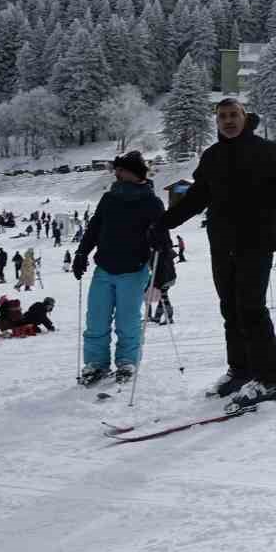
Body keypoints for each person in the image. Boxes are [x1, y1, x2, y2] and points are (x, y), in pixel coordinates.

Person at [157, 98, 276, 404]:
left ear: (244, 117)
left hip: (255, 241)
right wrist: (163, 223)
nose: (228, 121)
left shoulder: (266, 150)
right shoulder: (212, 157)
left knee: (251, 309)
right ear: (216, 121)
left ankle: (273, 378)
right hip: (221, 243)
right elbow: (195, 199)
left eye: (233, 115)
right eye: (222, 116)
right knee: (230, 309)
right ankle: (240, 370)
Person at [74, 150, 174, 386]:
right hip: (104, 269)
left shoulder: (151, 202)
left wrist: (161, 277)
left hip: (133, 270)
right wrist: (81, 253)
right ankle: (96, 363)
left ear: (135, 173)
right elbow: (95, 227)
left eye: (122, 170)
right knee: (96, 319)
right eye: (116, 170)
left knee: (127, 321)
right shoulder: (109, 198)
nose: (116, 174)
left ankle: (127, 362)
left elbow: (163, 242)